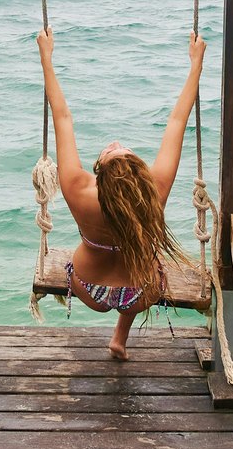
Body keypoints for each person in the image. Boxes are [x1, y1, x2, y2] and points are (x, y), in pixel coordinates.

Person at [35, 26, 204, 360]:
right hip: (140, 293)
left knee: (128, 259)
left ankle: (118, 340)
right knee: (142, 262)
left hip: (88, 289)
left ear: (97, 172)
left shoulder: (78, 189)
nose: (115, 144)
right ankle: (120, 336)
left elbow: (63, 119)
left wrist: (46, 59)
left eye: (114, 150)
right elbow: (176, 122)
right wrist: (196, 65)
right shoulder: (153, 191)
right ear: (139, 172)